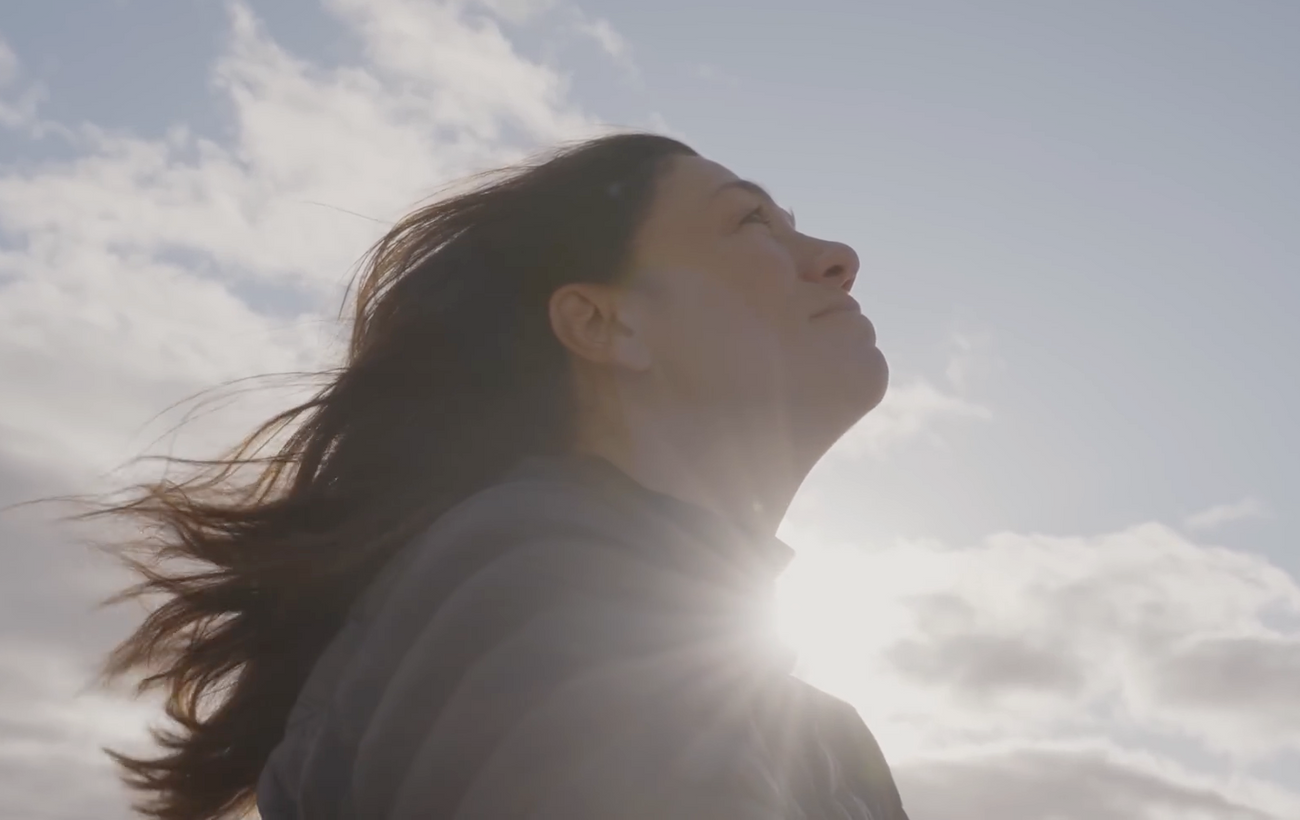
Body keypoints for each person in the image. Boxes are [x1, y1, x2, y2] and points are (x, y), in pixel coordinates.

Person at [94, 132, 906, 819]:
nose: (837, 258)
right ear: (602, 322)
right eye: (750, 221)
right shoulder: (565, 604)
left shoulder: (807, 734)